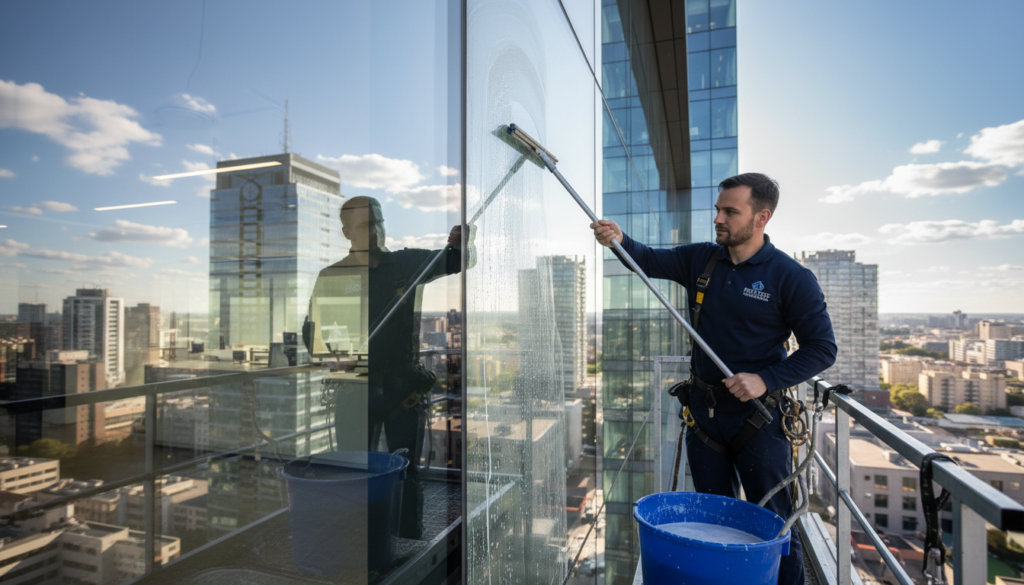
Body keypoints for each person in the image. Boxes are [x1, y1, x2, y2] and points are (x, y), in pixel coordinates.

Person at [591, 173, 836, 585]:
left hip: (758, 419)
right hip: (704, 416)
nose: (718, 218)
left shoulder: (790, 277)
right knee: (713, 518)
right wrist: (619, 239)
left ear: (762, 217)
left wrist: (765, 379)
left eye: (729, 212)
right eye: (718, 210)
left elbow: (821, 348)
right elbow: (647, 259)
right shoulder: (702, 260)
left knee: (772, 523)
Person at [305, 195, 468, 540]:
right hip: (354, 386)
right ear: (347, 232)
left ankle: (407, 543)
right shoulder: (333, 276)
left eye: (378, 221)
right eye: (366, 225)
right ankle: (355, 542)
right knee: (351, 470)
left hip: (400, 390)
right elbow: (313, 332)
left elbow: (456, 261)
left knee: (406, 473)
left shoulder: (404, 265)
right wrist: (331, 354)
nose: (375, 230)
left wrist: (459, 244)